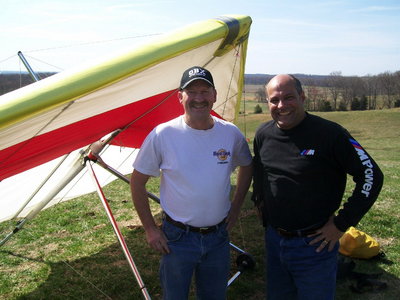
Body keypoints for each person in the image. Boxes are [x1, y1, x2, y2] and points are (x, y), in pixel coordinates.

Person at [252, 74, 384, 300]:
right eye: (274, 100)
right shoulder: (263, 134)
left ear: (303, 97)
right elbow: (260, 169)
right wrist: (259, 199)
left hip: (315, 245)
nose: (281, 105)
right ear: (268, 103)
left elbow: (371, 174)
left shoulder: (332, 134)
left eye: (289, 98)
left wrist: (342, 223)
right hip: (275, 241)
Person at [130, 66, 253, 300]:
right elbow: (137, 183)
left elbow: (247, 165)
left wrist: (236, 208)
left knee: (214, 296)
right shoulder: (162, 134)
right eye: (191, 92)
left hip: (218, 237)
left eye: (205, 91)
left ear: (215, 95)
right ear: (180, 97)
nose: (199, 98)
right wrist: (150, 229)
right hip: (178, 238)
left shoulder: (231, 133)